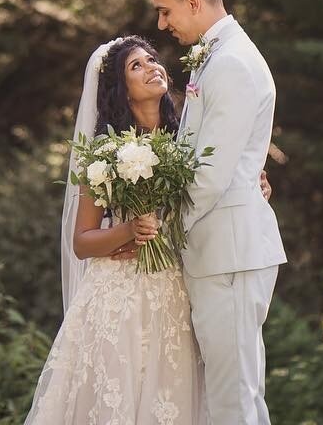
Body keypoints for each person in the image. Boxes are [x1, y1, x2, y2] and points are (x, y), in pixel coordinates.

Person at [23, 35, 205, 425]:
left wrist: (257, 181)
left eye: (152, 59)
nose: (152, 66)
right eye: (136, 66)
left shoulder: (187, 140)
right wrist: (130, 229)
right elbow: (82, 242)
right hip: (118, 298)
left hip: (174, 291)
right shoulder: (104, 154)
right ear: (121, 91)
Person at [151, 0, 286, 425]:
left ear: (193, 1)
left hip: (228, 252)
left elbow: (208, 174)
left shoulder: (231, 62)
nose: (162, 23)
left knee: (234, 400)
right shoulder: (219, 57)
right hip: (221, 250)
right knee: (232, 397)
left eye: (166, 11)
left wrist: (164, 234)